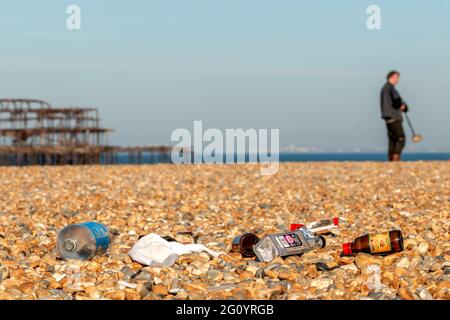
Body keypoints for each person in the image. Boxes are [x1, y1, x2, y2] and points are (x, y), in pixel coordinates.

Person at [380, 71, 408, 161]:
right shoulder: (390, 89)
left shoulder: (384, 88)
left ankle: (390, 159)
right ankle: (396, 158)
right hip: (394, 116)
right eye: (396, 77)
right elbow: (396, 102)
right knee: (400, 138)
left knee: (392, 139)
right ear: (391, 77)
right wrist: (403, 106)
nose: (398, 80)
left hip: (387, 116)